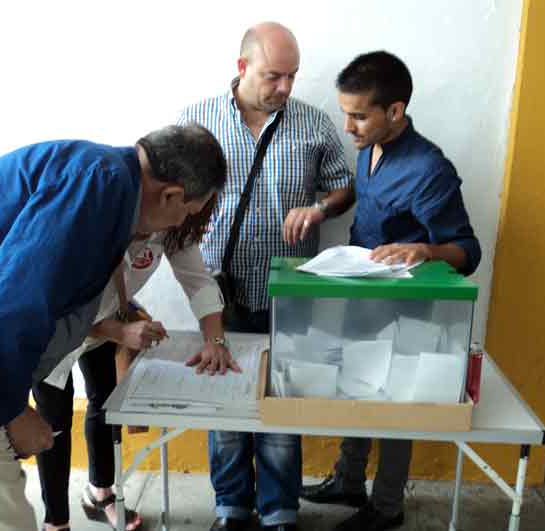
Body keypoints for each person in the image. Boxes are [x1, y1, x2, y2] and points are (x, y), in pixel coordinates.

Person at [0, 124, 227, 531]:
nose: (182, 223)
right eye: (188, 212)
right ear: (172, 195)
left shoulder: (99, 175)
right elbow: (5, 311)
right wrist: (13, 412)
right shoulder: (97, 191)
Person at [178, 21, 355, 531]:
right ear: (242, 67)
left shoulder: (314, 124)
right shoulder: (197, 120)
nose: (285, 87)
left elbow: (343, 187)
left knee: (282, 397)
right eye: (274, 75)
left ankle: (280, 510)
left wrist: (320, 209)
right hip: (217, 286)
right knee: (224, 397)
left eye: (292, 77)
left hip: (289, 287)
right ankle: (231, 507)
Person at [300, 51, 482, 531]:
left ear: (395, 112)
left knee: (396, 403)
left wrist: (424, 249)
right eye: (346, 113)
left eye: (358, 116)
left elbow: (468, 250)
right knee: (355, 387)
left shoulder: (429, 170)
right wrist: (323, 209)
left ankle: (386, 507)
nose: (348, 127)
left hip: (411, 310)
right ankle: (347, 479)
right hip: (363, 295)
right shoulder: (369, 148)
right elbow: (367, 198)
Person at [33, 193, 235, 531]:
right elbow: (52, 303)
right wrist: (117, 330)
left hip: (107, 321)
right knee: (52, 426)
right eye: (188, 208)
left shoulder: (173, 221)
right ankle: (56, 522)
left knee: (105, 404)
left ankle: (100, 492)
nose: (190, 218)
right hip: (53, 332)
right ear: (169, 192)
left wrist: (214, 340)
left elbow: (198, 281)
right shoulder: (93, 217)